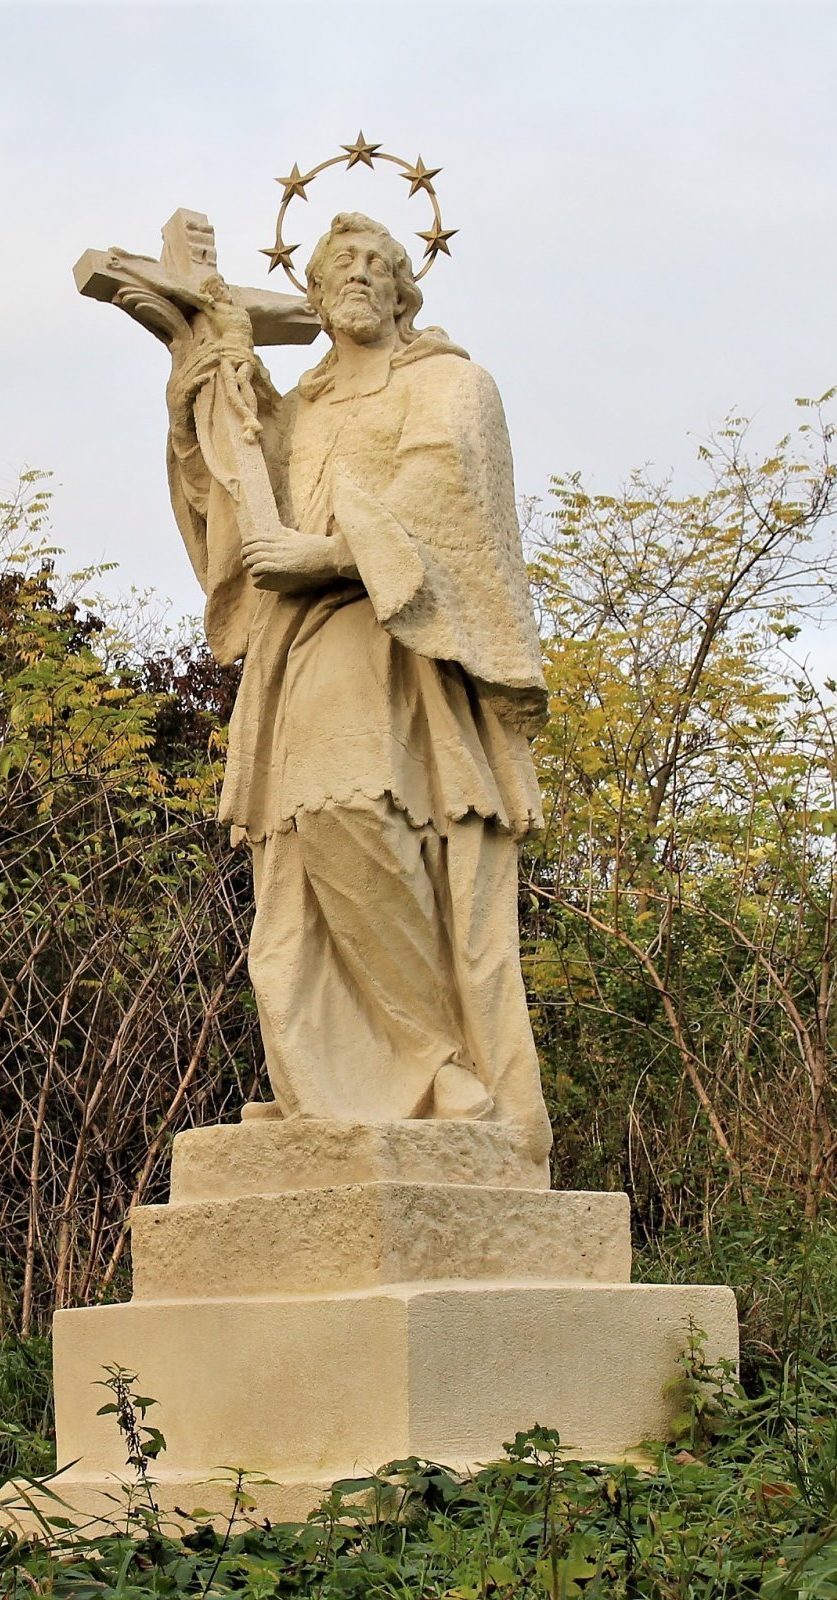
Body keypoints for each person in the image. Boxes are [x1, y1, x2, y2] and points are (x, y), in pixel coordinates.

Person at [161, 212, 552, 1159]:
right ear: (317, 288)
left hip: (387, 637)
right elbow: (234, 496)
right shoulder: (302, 407)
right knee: (291, 878)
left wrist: (330, 555)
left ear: (405, 288)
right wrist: (208, 383)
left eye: (379, 264)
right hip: (297, 649)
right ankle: (330, 1088)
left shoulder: (448, 386)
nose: (361, 277)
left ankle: (434, 1059)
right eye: (342, 265)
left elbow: (446, 509)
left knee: (346, 813)